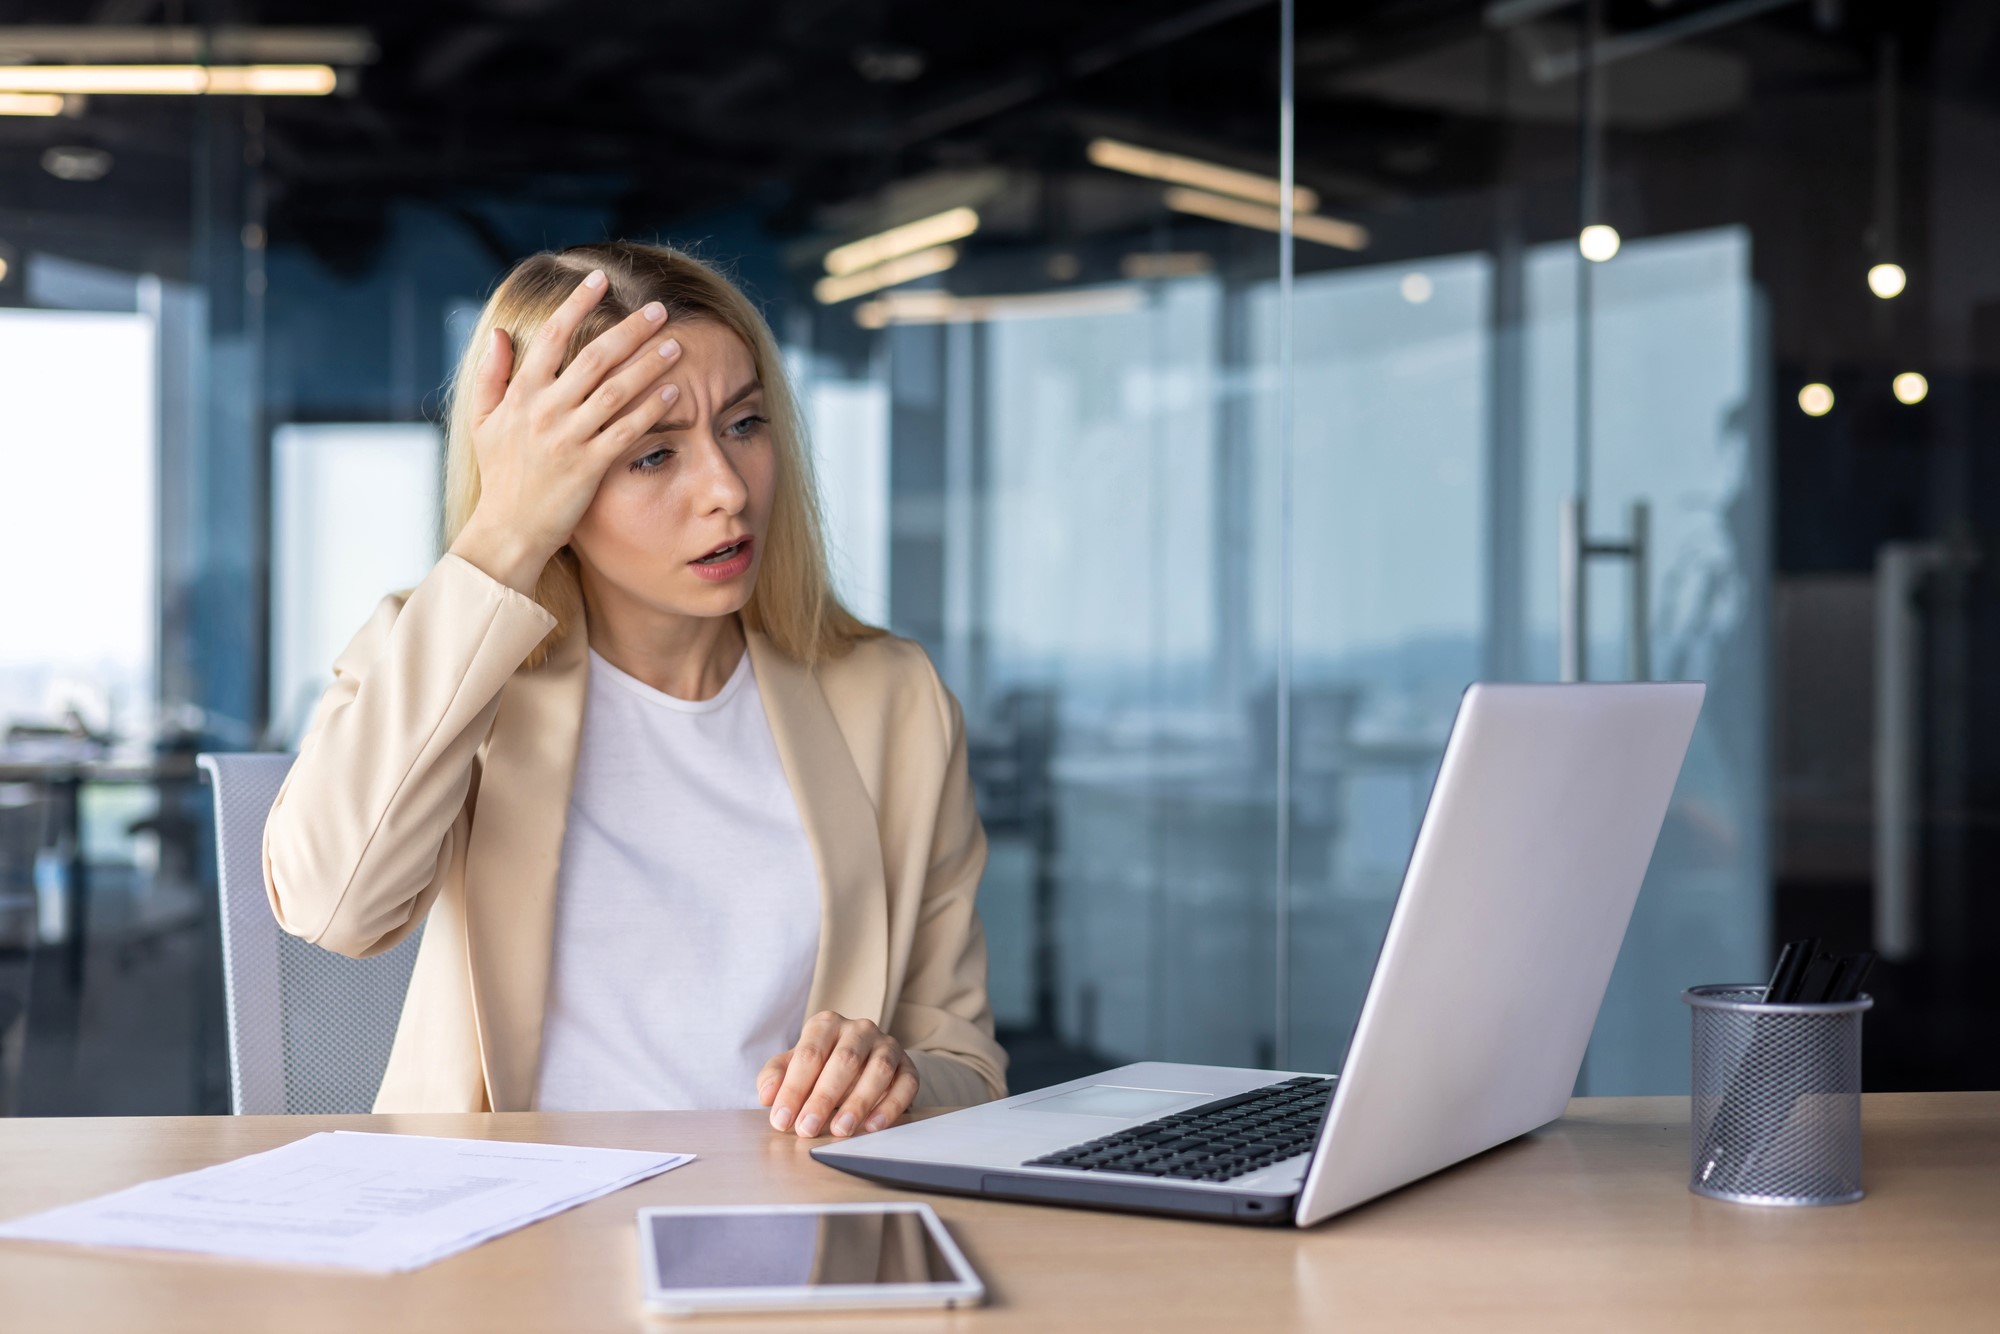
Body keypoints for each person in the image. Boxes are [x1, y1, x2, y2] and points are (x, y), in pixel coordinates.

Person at [262, 241, 1006, 1139]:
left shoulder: (894, 700)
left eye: (744, 424)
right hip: (509, 1232)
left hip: (786, 1226)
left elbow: (966, 1067)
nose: (727, 491)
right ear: (549, 482)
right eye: (653, 455)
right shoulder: (441, 657)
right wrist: (503, 534)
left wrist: (898, 1082)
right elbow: (331, 906)